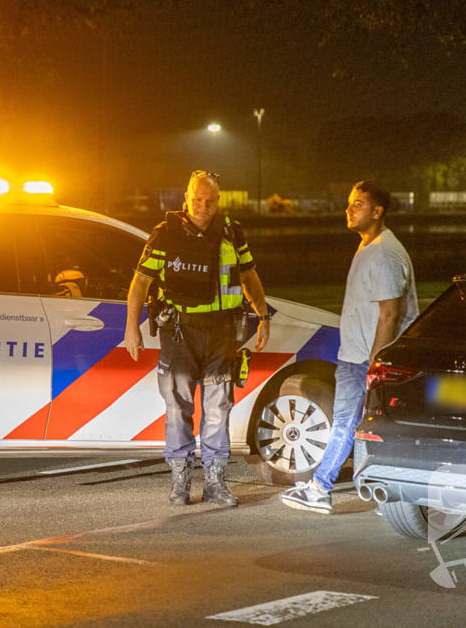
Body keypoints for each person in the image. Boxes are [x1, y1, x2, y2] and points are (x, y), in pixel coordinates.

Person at [125, 171, 271, 507]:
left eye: (210, 200)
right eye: (197, 199)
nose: (203, 206)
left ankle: (215, 482)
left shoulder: (232, 233)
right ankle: (180, 481)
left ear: (218, 201)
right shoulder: (165, 235)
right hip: (180, 333)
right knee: (178, 408)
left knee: (218, 408)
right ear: (186, 199)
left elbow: (249, 276)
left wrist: (263, 317)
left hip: (221, 333)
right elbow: (140, 282)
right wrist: (131, 326)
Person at [280, 180, 418, 514]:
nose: (349, 209)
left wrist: (375, 362)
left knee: (346, 422)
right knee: (355, 423)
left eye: (357, 204)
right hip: (356, 357)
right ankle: (362, 486)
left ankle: (320, 488)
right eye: (349, 203)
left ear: (377, 211)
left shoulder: (384, 253)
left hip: (364, 361)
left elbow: (391, 314)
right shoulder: (369, 247)